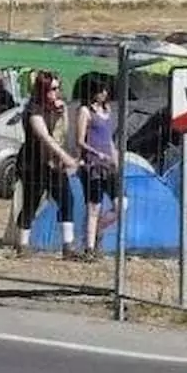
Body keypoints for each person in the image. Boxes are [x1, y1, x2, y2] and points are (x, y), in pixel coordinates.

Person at [12, 71, 82, 260]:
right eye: (53, 89)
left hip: (54, 164)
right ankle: (22, 244)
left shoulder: (58, 108)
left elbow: (63, 133)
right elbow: (46, 138)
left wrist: (62, 114)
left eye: (58, 88)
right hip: (33, 162)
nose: (57, 92)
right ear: (42, 90)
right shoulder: (33, 111)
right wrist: (66, 157)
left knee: (67, 200)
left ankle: (68, 245)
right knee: (31, 203)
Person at [76, 77, 124, 260]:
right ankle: (89, 248)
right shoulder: (85, 111)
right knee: (93, 207)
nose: (105, 93)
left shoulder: (107, 110)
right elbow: (80, 141)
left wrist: (114, 157)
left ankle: (98, 230)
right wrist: (97, 153)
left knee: (121, 205)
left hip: (108, 165)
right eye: (101, 90)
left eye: (106, 90)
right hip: (93, 166)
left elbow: (109, 139)